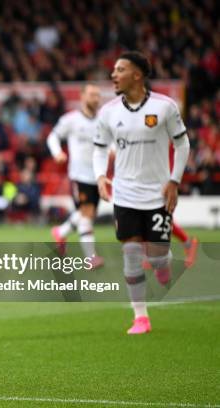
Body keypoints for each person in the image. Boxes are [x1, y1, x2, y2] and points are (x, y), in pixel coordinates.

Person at [93, 51, 190, 335]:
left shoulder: (165, 107)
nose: (113, 74)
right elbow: (99, 148)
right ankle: (141, 317)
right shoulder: (108, 111)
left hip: (158, 195)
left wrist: (174, 181)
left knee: (159, 256)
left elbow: (182, 145)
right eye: (113, 69)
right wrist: (101, 176)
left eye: (120, 69)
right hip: (125, 195)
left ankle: (163, 265)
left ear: (137, 75)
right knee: (132, 253)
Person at [47, 84, 104, 268]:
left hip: (98, 175)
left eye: (97, 95)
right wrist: (57, 153)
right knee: (86, 214)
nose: (95, 98)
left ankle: (60, 232)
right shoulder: (71, 120)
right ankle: (90, 258)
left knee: (86, 214)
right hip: (79, 175)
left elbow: (108, 143)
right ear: (82, 97)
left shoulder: (103, 120)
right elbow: (52, 137)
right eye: (92, 94)